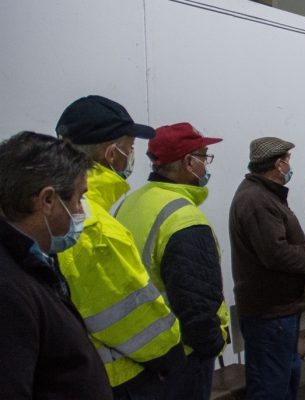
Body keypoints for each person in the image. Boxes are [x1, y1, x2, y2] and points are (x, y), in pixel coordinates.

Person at [54, 95, 186, 398]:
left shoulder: (61, 210)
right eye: (130, 147)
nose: (132, 155)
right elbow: (130, 317)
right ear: (112, 154)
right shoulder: (93, 225)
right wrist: (171, 355)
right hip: (122, 379)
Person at [116, 123, 230, 400]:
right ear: (189, 162)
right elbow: (196, 301)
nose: (206, 165)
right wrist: (211, 345)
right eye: (204, 156)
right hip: (182, 354)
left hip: (138, 351)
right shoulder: (183, 218)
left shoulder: (130, 202)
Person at [0, 132, 112, 399]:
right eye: (78, 198)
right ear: (47, 200)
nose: (81, 212)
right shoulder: (8, 290)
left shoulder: (31, 259)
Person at [229, 137, 305, 400]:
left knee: (283, 376)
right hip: (270, 312)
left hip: (281, 308)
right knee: (270, 383)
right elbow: (277, 254)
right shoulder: (257, 200)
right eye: (288, 160)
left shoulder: (265, 195)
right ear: (279, 164)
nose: (289, 165)